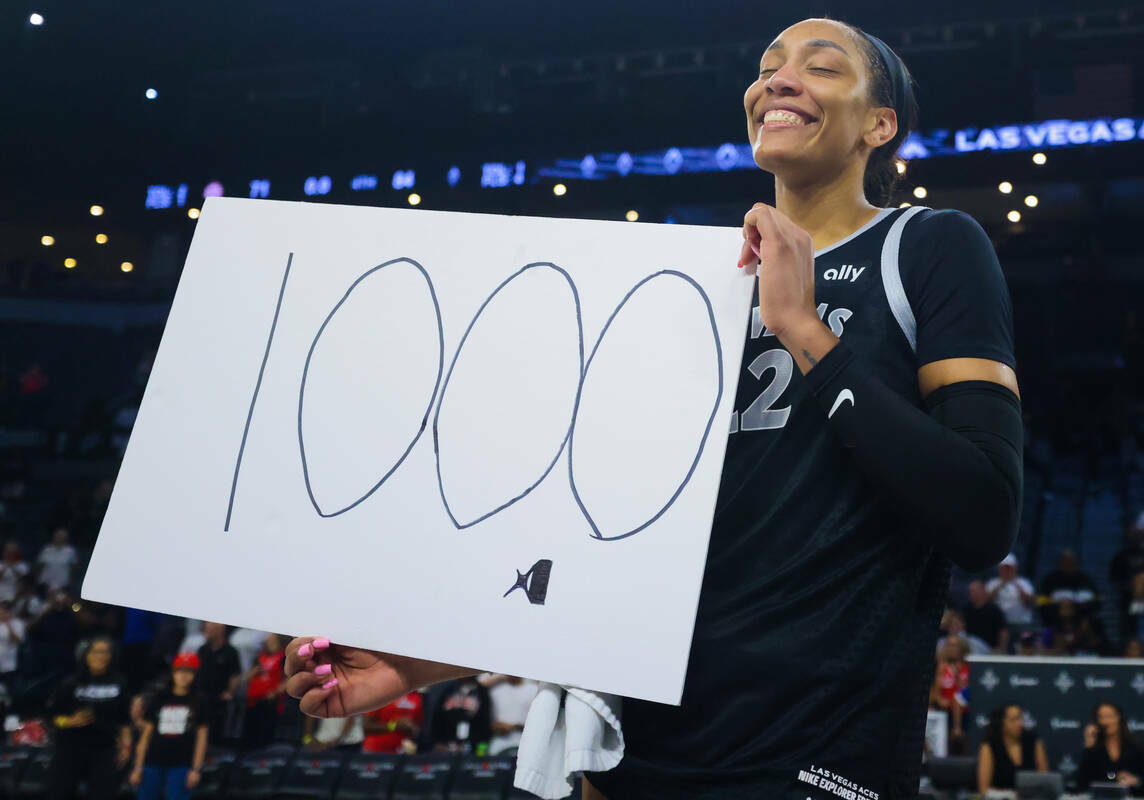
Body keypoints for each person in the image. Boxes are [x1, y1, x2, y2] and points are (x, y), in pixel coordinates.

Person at [282, 16, 1025, 800]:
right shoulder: (688, 292)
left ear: (881, 124)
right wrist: (417, 662)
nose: (777, 78)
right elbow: (618, 554)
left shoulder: (928, 246)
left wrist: (803, 331)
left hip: (812, 755)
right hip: (634, 755)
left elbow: (982, 514)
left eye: (822, 65)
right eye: (768, 65)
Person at [46, 636, 132, 800]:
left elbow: (124, 719)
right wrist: (70, 721)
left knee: (103, 793)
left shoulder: (119, 683)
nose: (101, 656)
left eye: (105, 652)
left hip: (103, 748)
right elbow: (51, 717)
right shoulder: (70, 683)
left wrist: (126, 746)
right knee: (60, 793)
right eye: (96, 651)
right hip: (70, 747)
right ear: (86, 655)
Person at [130, 652, 209, 800]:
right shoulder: (159, 698)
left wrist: (196, 769)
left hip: (182, 763)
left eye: (189, 671)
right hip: (153, 760)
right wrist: (138, 767)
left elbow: (201, 738)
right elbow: (146, 735)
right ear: (173, 673)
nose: (183, 676)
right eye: (179, 671)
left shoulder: (199, 701)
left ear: (195, 675)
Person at [1077, 703, 1144, 793]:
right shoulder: (1093, 749)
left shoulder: (1135, 746)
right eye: (1101, 717)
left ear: (1119, 718)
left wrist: (1136, 781)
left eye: (1109, 716)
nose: (1105, 721)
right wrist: (1089, 746)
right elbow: (1081, 783)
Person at [976, 703, 1048, 794]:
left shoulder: (1034, 741)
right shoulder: (989, 745)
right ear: (1001, 723)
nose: (1019, 723)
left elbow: (1046, 781)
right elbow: (984, 789)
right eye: (1013, 720)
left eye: (1020, 718)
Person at [193, 622, 239, 743]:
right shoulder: (202, 650)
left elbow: (235, 675)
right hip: (201, 695)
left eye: (210, 629)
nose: (207, 632)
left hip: (219, 697)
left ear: (221, 630)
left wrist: (230, 692)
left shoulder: (230, 651)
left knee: (216, 729)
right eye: (206, 629)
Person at [242, 632, 286, 750]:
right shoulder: (259, 657)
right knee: (250, 733)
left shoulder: (283, 658)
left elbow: (287, 680)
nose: (269, 644)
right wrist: (254, 672)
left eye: (272, 641)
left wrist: (275, 692)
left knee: (265, 734)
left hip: (270, 702)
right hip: (253, 701)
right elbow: (246, 677)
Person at [929, 636, 970, 754]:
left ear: (962, 648)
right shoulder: (942, 668)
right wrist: (943, 702)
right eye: (950, 645)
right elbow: (935, 694)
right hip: (946, 713)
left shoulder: (968, 667)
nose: (952, 648)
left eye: (955, 645)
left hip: (965, 713)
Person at [480, 674, 539, 754]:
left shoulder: (533, 690)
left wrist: (513, 727)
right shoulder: (496, 691)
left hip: (526, 740)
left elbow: (537, 723)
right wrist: (497, 726)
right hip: (500, 741)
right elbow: (481, 682)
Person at [986, 554, 1036, 628]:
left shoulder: (1024, 583)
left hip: (1021, 623)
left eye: (1009, 568)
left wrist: (1016, 583)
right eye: (1004, 568)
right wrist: (1001, 584)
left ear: (1015, 568)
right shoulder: (992, 583)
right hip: (999, 625)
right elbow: (987, 602)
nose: (1006, 571)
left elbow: (1031, 603)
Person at [962, 580, 1009, 653]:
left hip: (989, 648)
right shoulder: (966, 609)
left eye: (973, 591)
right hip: (969, 645)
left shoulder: (994, 610)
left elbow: (1003, 631)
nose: (971, 593)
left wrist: (1001, 649)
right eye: (970, 591)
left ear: (982, 591)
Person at [37, 527, 78, 592]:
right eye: (58, 536)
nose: (60, 538)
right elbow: (40, 565)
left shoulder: (70, 551)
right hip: (46, 583)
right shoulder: (47, 549)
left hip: (63, 584)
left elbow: (73, 567)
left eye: (62, 537)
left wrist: (70, 581)